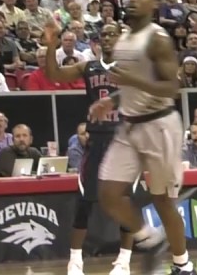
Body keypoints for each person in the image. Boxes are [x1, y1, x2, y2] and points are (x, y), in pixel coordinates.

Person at [89, 0, 194, 275]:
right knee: (108, 193)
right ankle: (148, 239)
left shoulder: (158, 39)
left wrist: (129, 81)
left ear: (155, 3)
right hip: (130, 125)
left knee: (162, 201)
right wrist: (112, 101)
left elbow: (171, 89)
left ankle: (183, 265)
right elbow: (133, 87)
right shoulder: (123, 38)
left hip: (160, 126)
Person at [43, 20, 134, 275]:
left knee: (125, 201)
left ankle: (123, 262)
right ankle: (75, 261)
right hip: (96, 142)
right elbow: (54, 75)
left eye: (112, 34)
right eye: (103, 35)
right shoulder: (88, 66)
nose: (106, 38)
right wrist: (51, 46)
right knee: (85, 201)